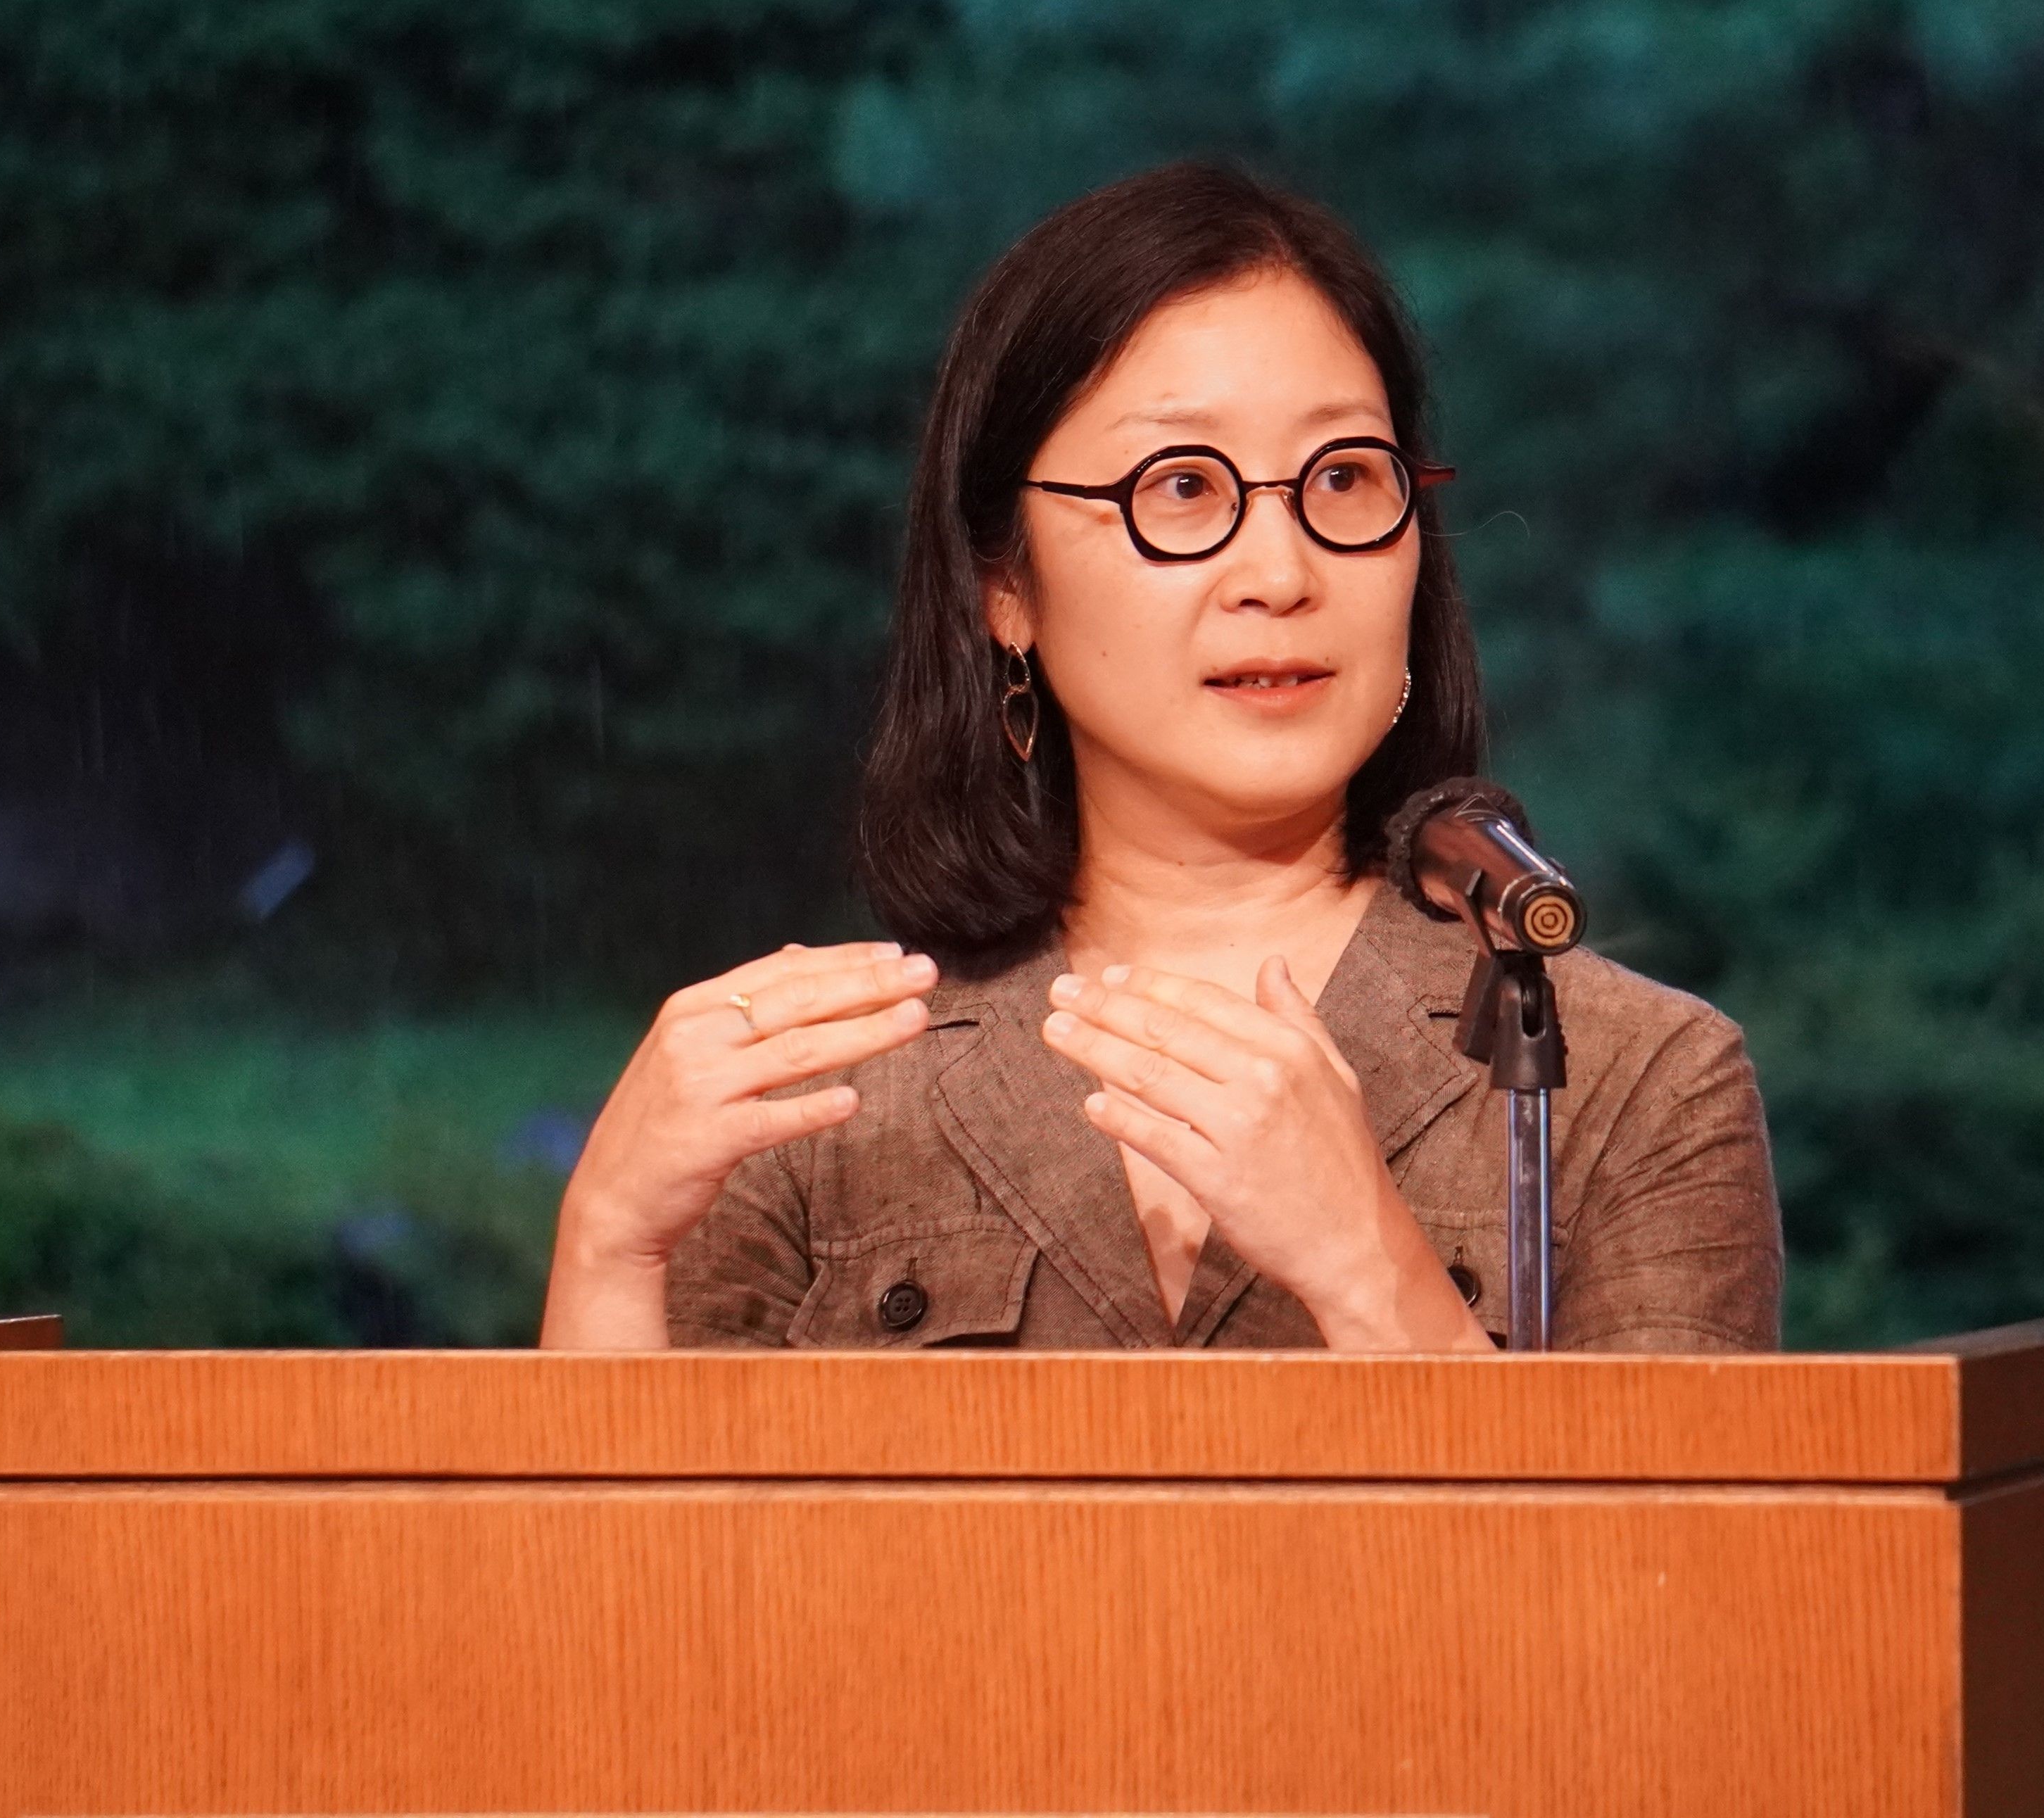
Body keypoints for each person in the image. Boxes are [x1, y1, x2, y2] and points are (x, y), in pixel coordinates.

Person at [538, 162, 1783, 1352]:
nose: (1281, 574)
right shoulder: (817, 1094)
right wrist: (604, 1249)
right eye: (1181, 488)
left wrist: (1372, 1273)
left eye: (1344, 479)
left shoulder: (1632, 1082)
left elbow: (1659, 1520)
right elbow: (630, 1517)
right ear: (1002, 583)